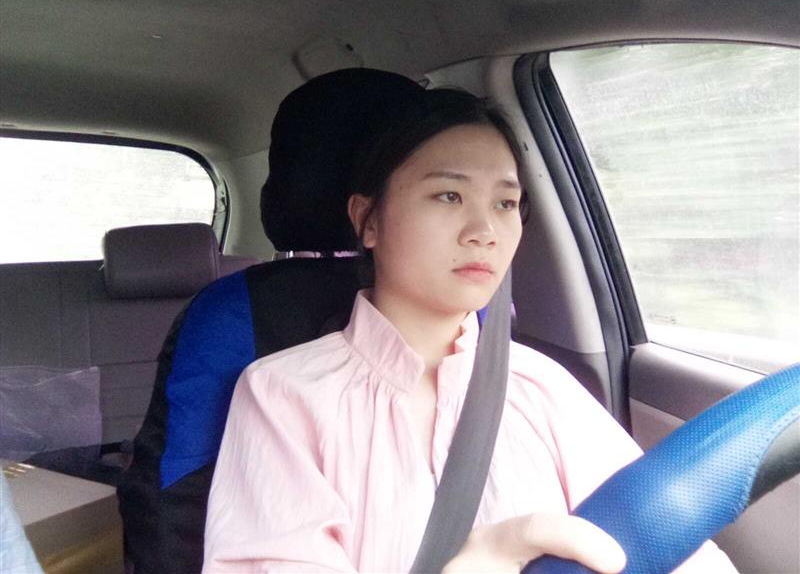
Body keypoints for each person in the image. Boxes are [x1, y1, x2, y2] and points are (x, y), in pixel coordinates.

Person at [203, 83, 736, 573]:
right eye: (449, 195)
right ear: (368, 219)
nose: (485, 231)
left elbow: (670, 542)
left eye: (505, 203)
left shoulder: (542, 386)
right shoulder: (282, 395)